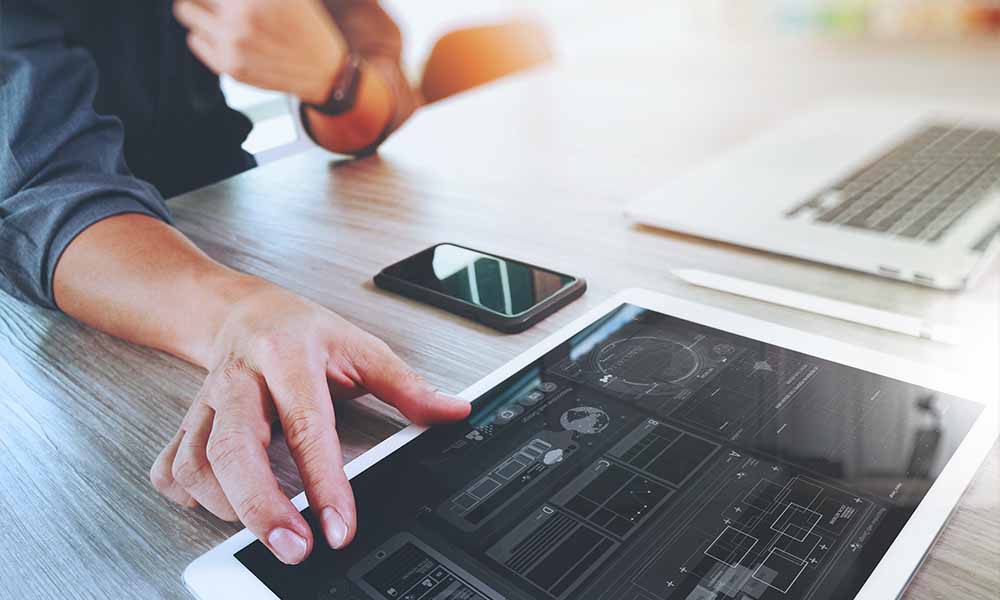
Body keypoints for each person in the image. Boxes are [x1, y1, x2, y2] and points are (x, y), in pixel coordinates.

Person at [0, 0, 470, 566]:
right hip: (94, 312)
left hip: (247, 225)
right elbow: (43, 195)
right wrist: (238, 316)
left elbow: (378, 66)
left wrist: (336, 79)